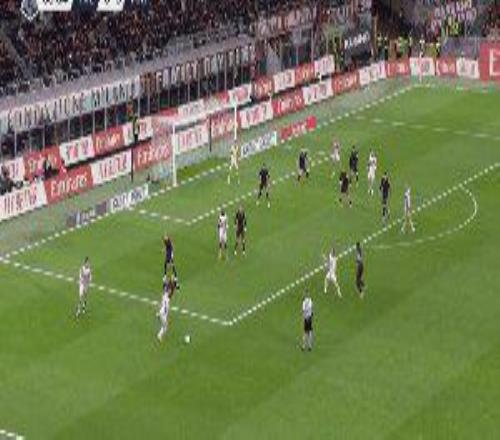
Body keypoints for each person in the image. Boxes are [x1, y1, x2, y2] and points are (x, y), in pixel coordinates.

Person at [157, 274, 176, 341]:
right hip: (163, 312)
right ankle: (159, 335)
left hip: (163, 309)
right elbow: (170, 288)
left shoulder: (165, 294)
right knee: (165, 326)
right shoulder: (170, 289)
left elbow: (166, 286)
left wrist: (165, 281)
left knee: (163, 308)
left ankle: (159, 314)